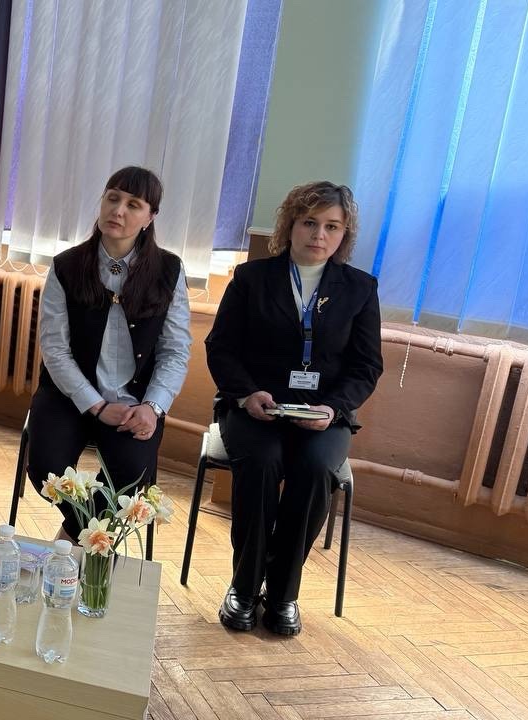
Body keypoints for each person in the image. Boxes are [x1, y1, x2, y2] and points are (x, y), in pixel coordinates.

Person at [205, 181, 383, 636]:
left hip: (323, 415)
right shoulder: (251, 279)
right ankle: (244, 587)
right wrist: (246, 394)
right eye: (309, 222)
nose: (319, 235)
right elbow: (221, 348)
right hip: (254, 407)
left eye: (332, 226)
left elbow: (366, 366)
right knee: (261, 462)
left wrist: (334, 408)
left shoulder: (360, 289)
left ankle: (284, 593)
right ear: (290, 225)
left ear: (344, 234)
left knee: (316, 468)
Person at [27, 166, 192, 543]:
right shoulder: (66, 266)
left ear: (150, 217)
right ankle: (92, 543)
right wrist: (97, 405)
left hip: (135, 403)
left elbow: (175, 350)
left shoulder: (169, 270)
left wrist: (153, 407)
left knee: (131, 478)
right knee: (47, 470)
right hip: (70, 396)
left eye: (133, 204)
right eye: (112, 198)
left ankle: (70, 545)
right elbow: (55, 350)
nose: (118, 210)